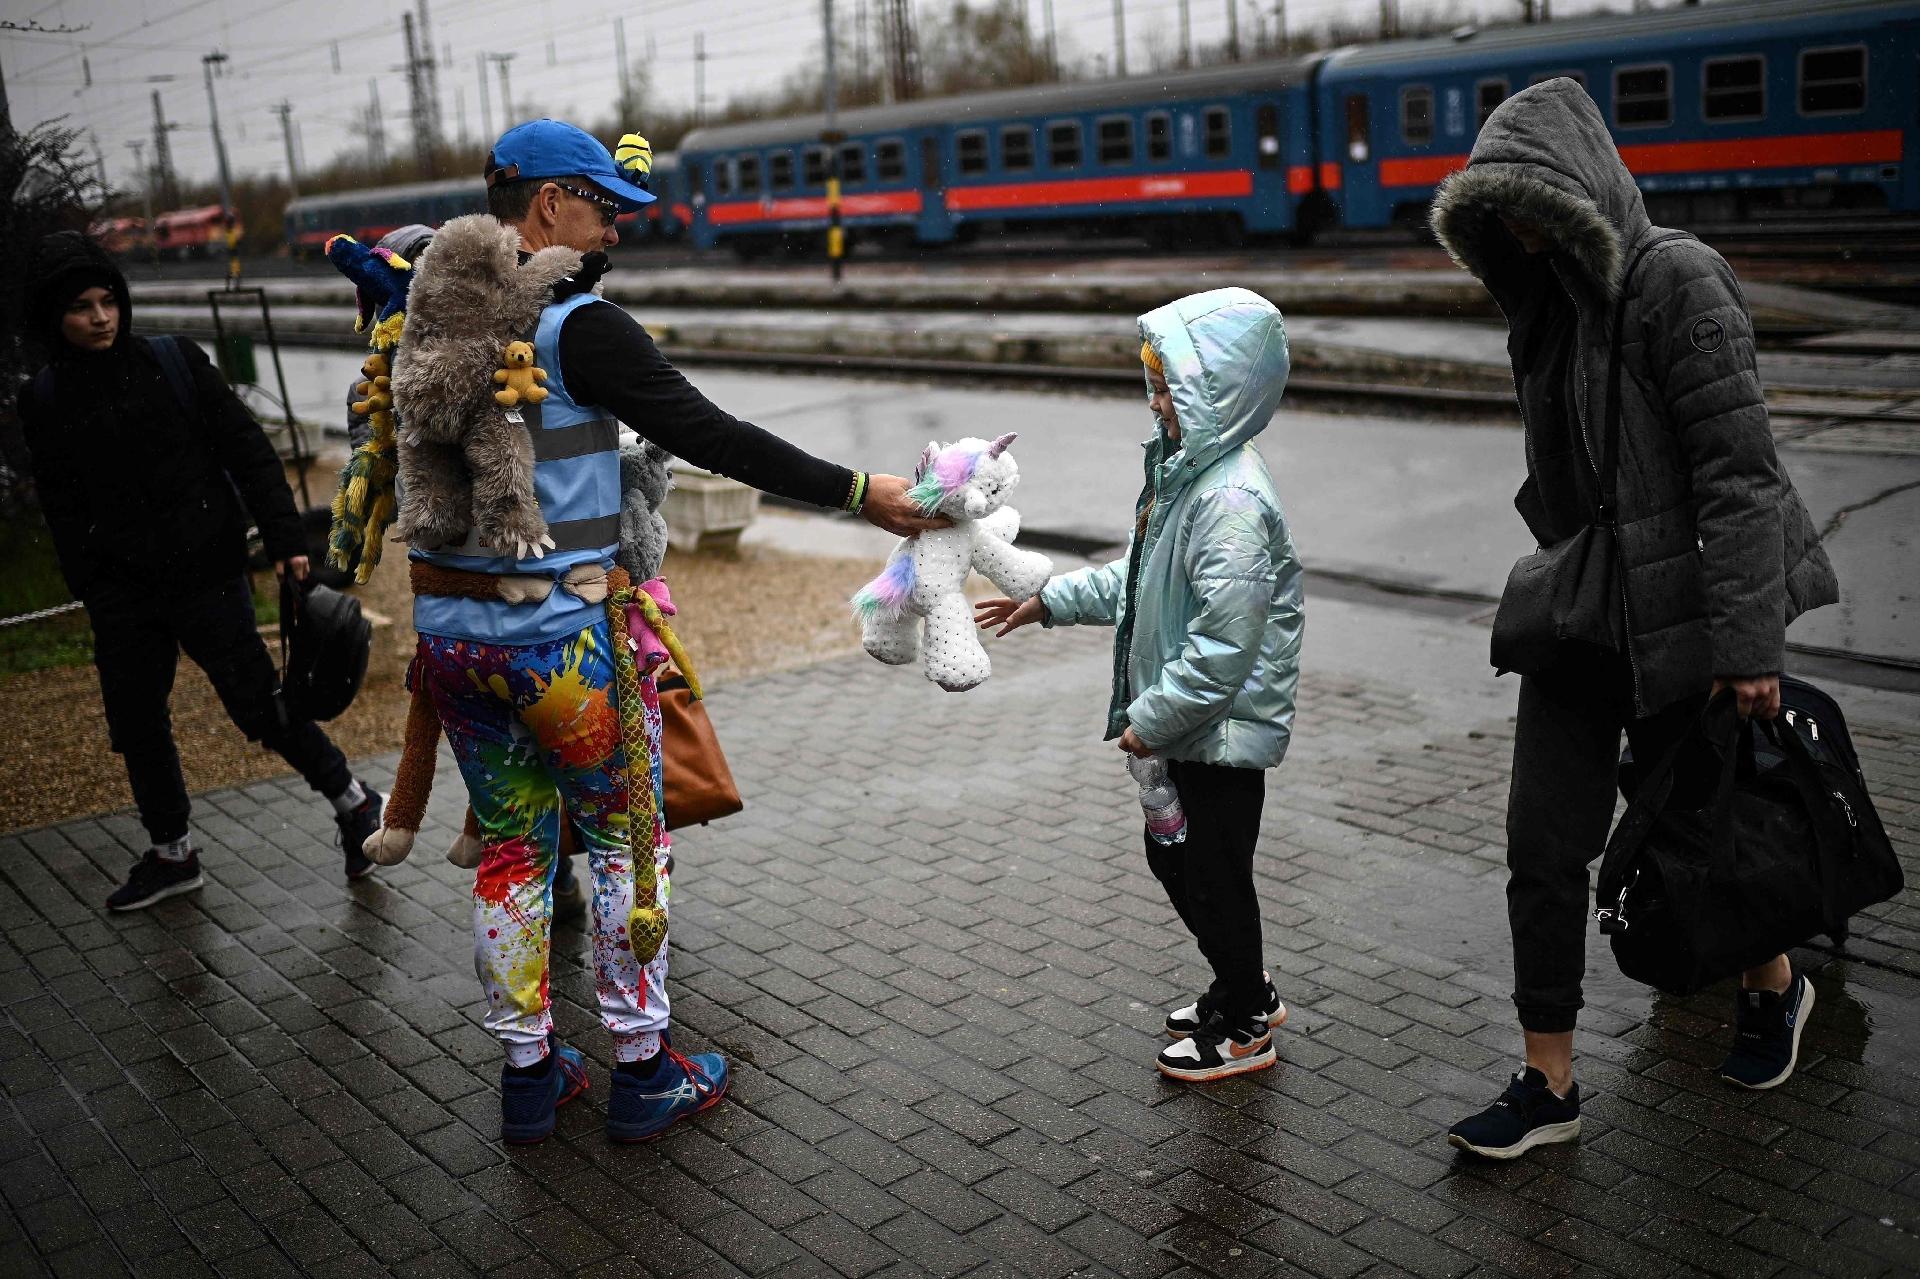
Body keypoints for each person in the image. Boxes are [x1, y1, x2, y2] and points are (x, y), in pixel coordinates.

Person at [399, 119, 946, 1144]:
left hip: (454, 642)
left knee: (513, 851)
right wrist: (856, 491)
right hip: (558, 639)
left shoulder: (430, 316)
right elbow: (712, 435)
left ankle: (528, 1077)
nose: (615, 227)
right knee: (621, 845)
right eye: (603, 206)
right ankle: (644, 1068)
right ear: (550, 205)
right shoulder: (579, 328)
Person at [1427, 79, 1839, 1159]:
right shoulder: (1547, 308)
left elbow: (1739, 477)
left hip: (1686, 614)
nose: (1515, 229)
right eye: (1497, 213)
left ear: (1580, 191)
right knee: (1542, 844)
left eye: (1529, 203)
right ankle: (1547, 1080)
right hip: (1587, 611)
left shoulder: (1678, 281)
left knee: (1708, 833)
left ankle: (1774, 985)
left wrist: (1749, 649)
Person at [975, 288, 1303, 1083]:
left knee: (1209, 872)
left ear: (1217, 392)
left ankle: (1247, 1024)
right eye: (1153, 384)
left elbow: (1226, 644)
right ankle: (1242, 983)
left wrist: (1152, 718)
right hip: (1192, 726)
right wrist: (1050, 600)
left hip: (1216, 733)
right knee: (1186, 864)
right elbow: (1142, 581)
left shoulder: (1226, 500)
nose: (1157, 402)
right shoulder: (1187, 476)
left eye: (1170, 387)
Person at [17, 232, 386, 911]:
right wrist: (88, 584)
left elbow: (247, 450)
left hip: (205, 576)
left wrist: (284, 540)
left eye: (108, 301)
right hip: (120, 594)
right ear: (54, 316)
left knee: (261, 707)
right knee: (137, 724)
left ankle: (355, 802)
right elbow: (61, 501)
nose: (100, 318)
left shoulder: (172, 362)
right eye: (81, 307)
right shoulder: (43, 398)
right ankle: (171, 852)